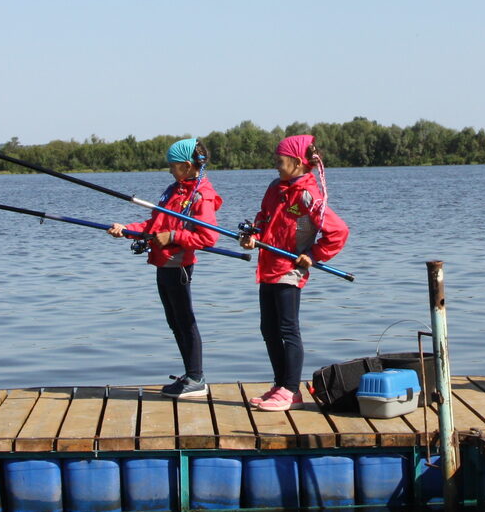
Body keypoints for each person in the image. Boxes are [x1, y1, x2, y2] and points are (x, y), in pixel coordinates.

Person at [238, 134, 349, 413]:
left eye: (280, 160)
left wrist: (312, 255)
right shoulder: (276, 187)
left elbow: (338, 232)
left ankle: (291, 390)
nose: (276, 165)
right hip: (267, 267)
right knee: (268, 329)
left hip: (290, 271)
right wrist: (253, 234)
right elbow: (264, 217)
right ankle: (280, 385)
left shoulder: (308, 195)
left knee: (288, 329)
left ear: (298, 163)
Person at [109, 138, 222, 397]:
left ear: (186, 165)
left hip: (179, 265)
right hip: (163, 264)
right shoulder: (175, 190)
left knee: (185, 321)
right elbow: (155, 225)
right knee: (174, 321)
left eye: (172, 165)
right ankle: (191, 374)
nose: (170, 170)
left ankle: (196, 377)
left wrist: (173, 237)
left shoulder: (201, 195)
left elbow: (208, 237)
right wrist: (127, 230)